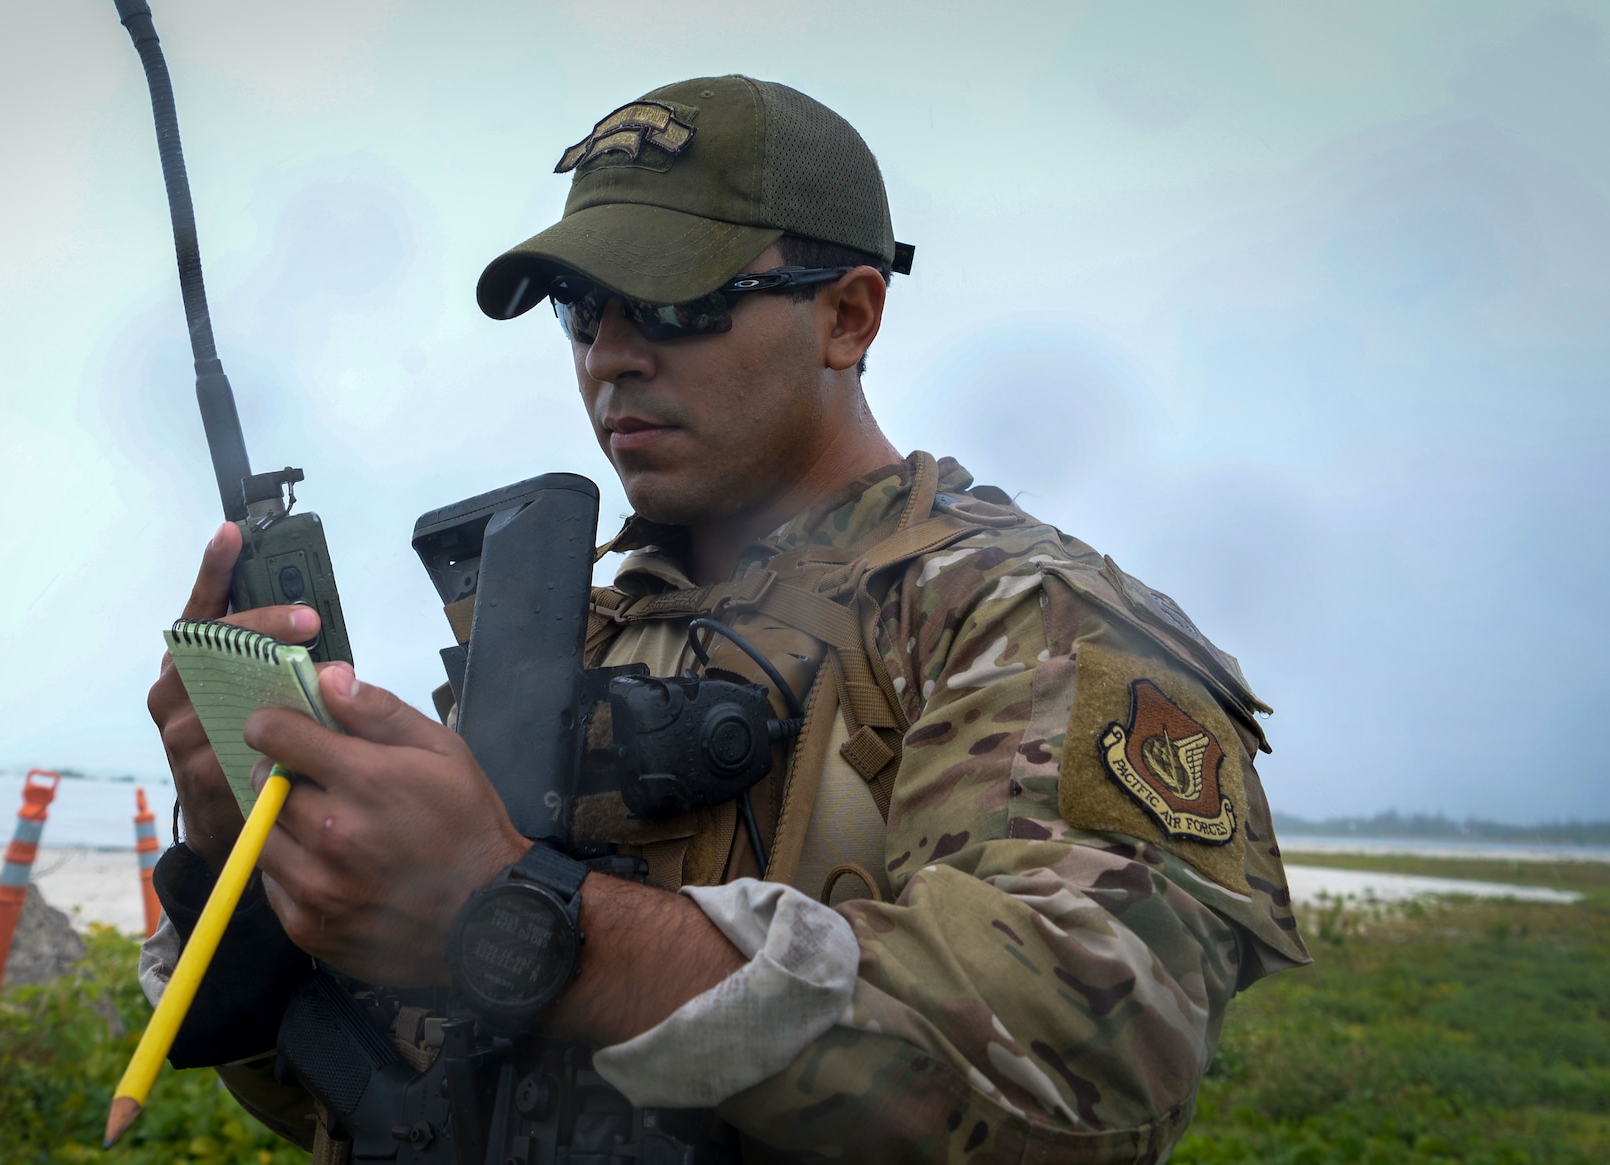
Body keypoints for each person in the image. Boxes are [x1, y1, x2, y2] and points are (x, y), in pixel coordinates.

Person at [143, 74, 1309, 1163]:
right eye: (579, 310)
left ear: (847, 316)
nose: (609, 356)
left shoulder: (1027, 620)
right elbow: (376, 1094)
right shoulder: (569, 644)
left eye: (675, 301)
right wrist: (244, 863)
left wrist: (515, 914)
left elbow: (1083, 1069)